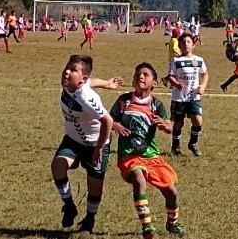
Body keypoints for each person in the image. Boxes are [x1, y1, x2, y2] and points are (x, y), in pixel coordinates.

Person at [110, 63, 186, 239]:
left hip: (151, 156)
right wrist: (116, 125)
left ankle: (172, 223)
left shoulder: (156, 105)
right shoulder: (124, 101)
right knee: (139, 178)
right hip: (129, 156)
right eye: (137, 74)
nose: (140, 77)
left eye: (145, 74)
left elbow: (168, 127)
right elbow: (108, 120)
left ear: (155, 83)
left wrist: (165, 125)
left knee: (171, 192)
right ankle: (148, 227)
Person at [51, 55, 121, 234]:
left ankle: (89, 220)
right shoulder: (69, 85)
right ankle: (69, 205)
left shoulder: (87, 98)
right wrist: (107, 83)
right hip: (73, 140)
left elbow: (108, 121)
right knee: (57, 166)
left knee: (94, 186)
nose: (66, 72)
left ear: (81, 78)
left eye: (73, 70)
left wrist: (98, 149)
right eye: (67, 68)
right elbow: (91, 81)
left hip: (95, 144)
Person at [167, 33, 208, 157]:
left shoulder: (199, 60)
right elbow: (170, 76)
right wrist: (177, 83)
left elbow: (205, 74)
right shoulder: (176, 60)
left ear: (193, 45)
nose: (186, 44)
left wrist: (203, 86)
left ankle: (193, 143)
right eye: (183, 42)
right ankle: (175, 146)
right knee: (179, 123)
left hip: (193, 97)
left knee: (198, 120)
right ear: (179, 45)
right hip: (179, 98)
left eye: (188, 42)